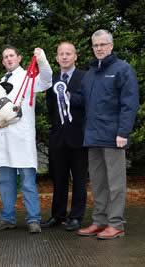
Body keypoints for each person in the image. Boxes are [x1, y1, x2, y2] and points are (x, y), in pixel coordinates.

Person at [72, 29, 139, 239]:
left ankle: (116, 223)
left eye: (102, 44)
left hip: (113, 137)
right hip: (93, 137)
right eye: (95, 45)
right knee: (99, 182)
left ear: (111, 46)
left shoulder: (123, 69)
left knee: (116, 184)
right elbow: (82, 101)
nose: (99, 48)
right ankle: (100, 221)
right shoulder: (90, 73)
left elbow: (130, 104)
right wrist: (65, 94)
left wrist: (123, 132)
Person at [0, 45, 52, 233]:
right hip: (4, 139)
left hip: (22, 138)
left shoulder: (28, 77)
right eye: (5, 57)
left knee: (27, 182)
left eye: (11, 56)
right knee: (5, 182)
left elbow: (47, 80)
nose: (8, 59)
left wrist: (41, 59)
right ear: (3, 61)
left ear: (19, 58)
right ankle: (7, 218)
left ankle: (33, 219)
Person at [41, 42, 88, 231]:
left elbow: (86, 102)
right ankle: (57, 215)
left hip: (79, 136)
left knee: (79, 180)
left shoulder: (85, 77)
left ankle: (76, 216)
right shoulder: (51, 80)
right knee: (58, 179)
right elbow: (50, 108)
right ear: (56, 58)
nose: (65, 57)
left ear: (75, 56)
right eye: (61, 54)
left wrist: (69, 96)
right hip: (58, 138)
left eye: (69, 53)